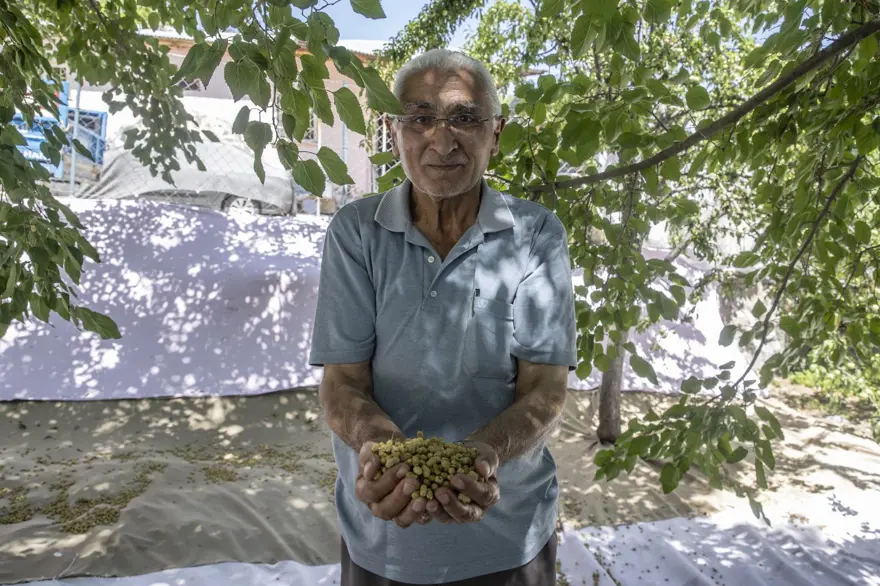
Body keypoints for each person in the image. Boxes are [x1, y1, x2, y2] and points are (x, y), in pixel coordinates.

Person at [309, 48, 577, 585]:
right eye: (422, 117)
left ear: (495, 133)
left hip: (507, 536)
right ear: (394, 130)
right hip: (383, 534)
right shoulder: (356, 232)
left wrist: (485, 452)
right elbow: (342, 383)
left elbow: (546, 389)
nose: (442, 138)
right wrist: (382, 447)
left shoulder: (536, 236)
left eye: (465, 117)